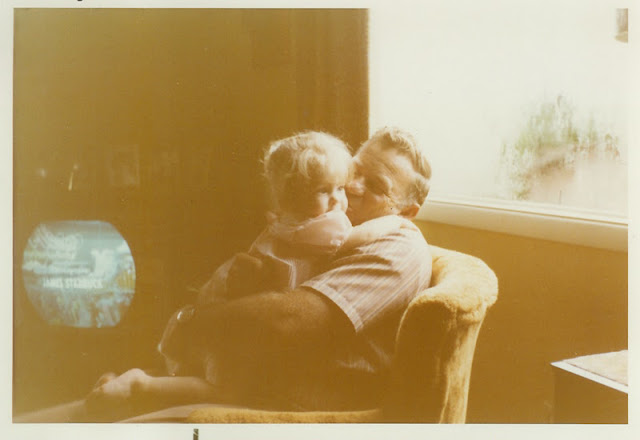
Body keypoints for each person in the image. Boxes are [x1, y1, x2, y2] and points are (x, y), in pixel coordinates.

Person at [15, 126, 432, 422]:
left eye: (376, 186)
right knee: (58, 418)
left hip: (283, 406)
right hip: (238, 374)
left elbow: (284, 322)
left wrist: (193, 321)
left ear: (407, 211)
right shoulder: (319, 220)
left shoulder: (398, 243)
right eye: (355, 171)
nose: (353, 187)